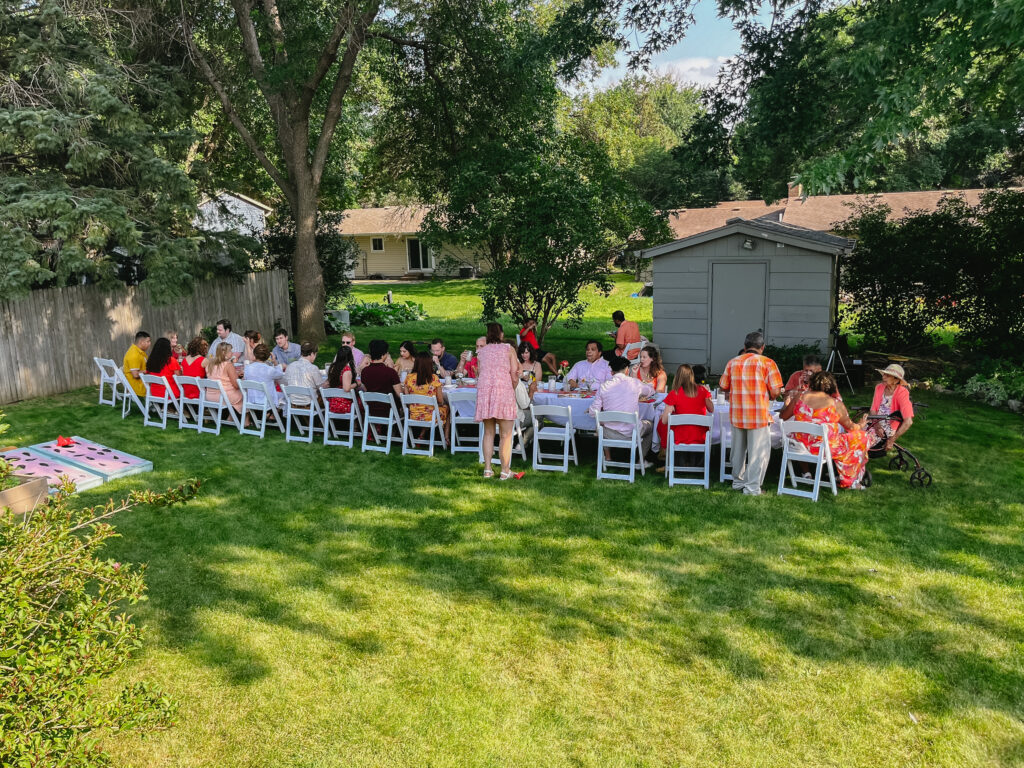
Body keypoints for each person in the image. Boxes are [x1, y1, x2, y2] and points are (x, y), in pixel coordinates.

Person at [719, 331, 784, 496]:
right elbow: (776, 392)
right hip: (758, 414)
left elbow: (723, 386)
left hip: (738, 413)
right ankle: (752, 488)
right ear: (762, 347)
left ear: (745, 347)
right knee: (758, 453)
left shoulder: (733, 362)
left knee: (737, 451)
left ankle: (738, 481)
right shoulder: (768, 363)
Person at [781, 370, 870, 489]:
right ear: (832, 386)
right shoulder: (835, 404)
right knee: (862, 437)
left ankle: (816, 473)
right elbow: (850, 427)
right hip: (823, 448)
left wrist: (786, 404)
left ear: (812, 383)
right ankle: (849, 480)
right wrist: (861, 424)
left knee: (842, 439)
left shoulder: (800, 397)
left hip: (799, 445)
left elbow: (783, 417)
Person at [589, 355, 655, 462]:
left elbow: (593, 413)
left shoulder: (604, 386)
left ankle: (608, 457)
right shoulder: (634, 383)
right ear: (627, 370)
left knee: (600, 424)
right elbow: (650, 391)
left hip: (609, 433)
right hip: (632, 432)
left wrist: (595, 411)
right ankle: (641, 460)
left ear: (611, 372)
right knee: (651, 425)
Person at [474, 322, 519, 479]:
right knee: (506, 434)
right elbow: (514, 373)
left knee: (488, 432)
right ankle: (505, 470)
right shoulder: (508, 348)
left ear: (487, 335)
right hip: (503, 391)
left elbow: (480, 373)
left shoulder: (482, 352)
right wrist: (512, 387)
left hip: (486, 392)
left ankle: (487, 469)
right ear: (501, 334)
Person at [658, 364, 713, 457]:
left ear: (677, 377)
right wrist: (708, 395)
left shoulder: (674, 393)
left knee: (661, 422)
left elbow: (664, 421)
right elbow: (711, 409)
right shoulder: (703, 391)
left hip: (680, 436)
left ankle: (665, 453)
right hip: (700, 435)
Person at [868, 363, 914, 451]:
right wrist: (877, 425)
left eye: (887, 375)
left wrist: (892, 439)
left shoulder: (902, 393)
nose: (883, 377)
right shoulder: (879, 387)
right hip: (874, 422)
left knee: (859, 441)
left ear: (896, 380)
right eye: (884, 374)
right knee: (853, 434)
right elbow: (873, 409)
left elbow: (908, 421)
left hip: (888, 426)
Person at [404, 351, 449, 433]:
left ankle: (422, 434)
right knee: (447, 407)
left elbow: (407, 400)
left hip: (413, 415)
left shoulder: (409, 378)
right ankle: (446, 437)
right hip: (431, 416)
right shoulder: (434, 378)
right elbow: (440, 400)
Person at [360, 339, 402, 417]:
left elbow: (366, 390)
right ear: (383, 355)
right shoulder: (390, 372)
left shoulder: (364, 371)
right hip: (389, 411)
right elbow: (400, 394)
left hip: (372, 410)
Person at [203, 343, 243, 413]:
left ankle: (232, 418)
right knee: (244, 394)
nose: (232, 353)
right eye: (230, 351)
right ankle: (245, 419)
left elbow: (219, 376)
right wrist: (242, 379)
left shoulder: (210, 364)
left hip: (209, 396)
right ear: (224, 352)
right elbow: (236, 385)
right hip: (223, 396)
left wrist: (235, 373)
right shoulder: (228, 365)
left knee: (238, 397)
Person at [282, 342, 323, 406]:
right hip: (310, 404)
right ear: (312, 354)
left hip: (293, 404)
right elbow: (321, 387)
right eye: (315, 354)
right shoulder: (313, 368)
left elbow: (286, 383)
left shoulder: (290, 366)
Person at [324, 345, 357, 414]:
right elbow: (346, 388)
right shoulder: (346, 370)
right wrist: (357, 384)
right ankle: (357, 424)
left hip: (332, 404)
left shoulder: (332, 367)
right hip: (343, 405)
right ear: (350, 357)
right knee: (360, 402)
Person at [122, 331, 151, 397]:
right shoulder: (134, 354)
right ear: (141, 342)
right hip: (138, 386)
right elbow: (135, 374)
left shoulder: (138, 351)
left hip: (142, 382)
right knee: (162, 384)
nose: (150, 343)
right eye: (148, 341)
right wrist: (148, 371)